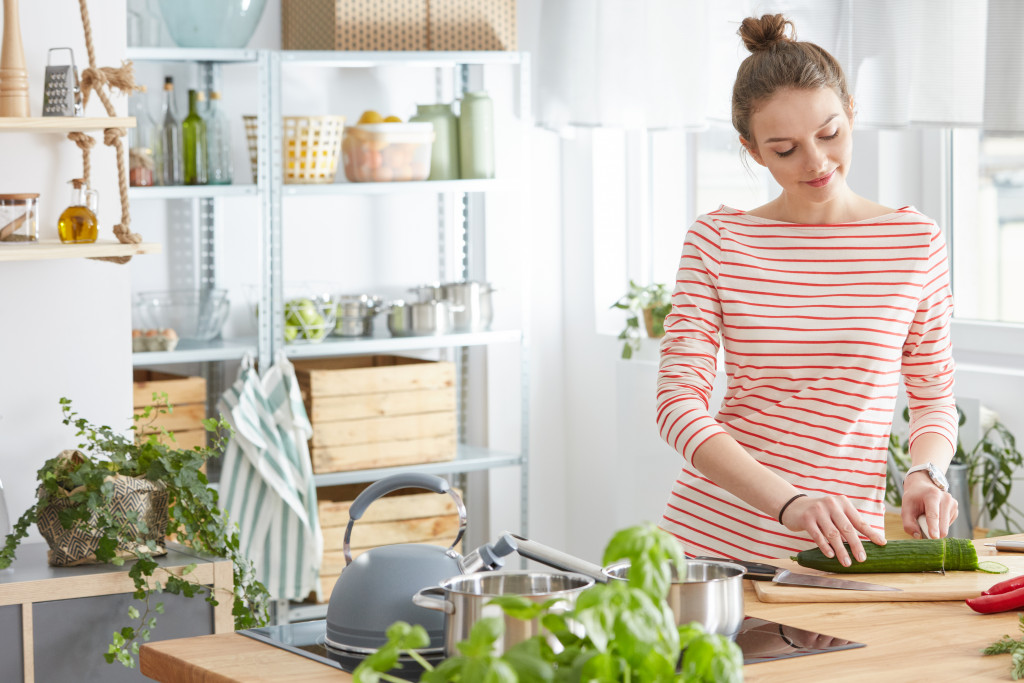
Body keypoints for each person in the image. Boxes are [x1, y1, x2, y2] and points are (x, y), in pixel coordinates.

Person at [656, 14, 958, 567]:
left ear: (850, 112)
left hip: (838, 550)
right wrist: (788, 502)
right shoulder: (719, 241)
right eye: (785, 148)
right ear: (753, 150)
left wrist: (925, 471)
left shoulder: (914, 242)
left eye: (829, 133)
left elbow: (934, 397)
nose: (817, 162)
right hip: (710, 547)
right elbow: (678, 405)